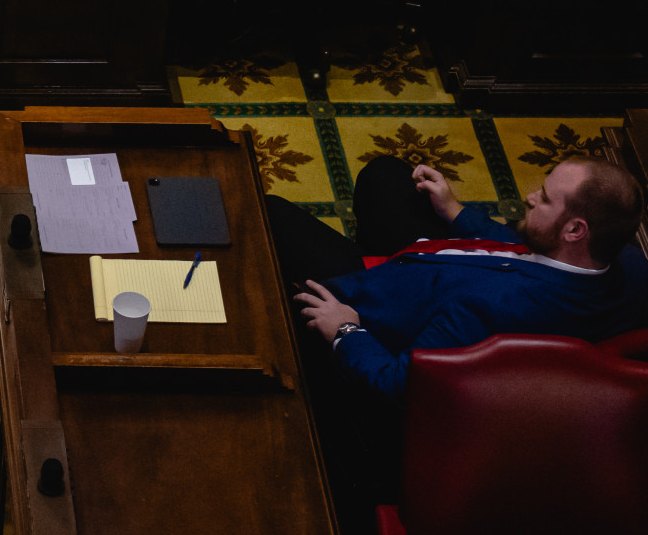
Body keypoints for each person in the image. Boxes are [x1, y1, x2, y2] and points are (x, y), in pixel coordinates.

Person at [265, 152, 645, 512]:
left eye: (544, 199)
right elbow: (526, 247)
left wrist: (345, 329)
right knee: (386, 175)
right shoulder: (626, 263)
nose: (529, 197)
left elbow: (400, 385)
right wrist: (456, 212)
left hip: (376, 306)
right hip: (445, 263)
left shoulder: (491, 310)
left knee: (273, 216)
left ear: (576, 230)